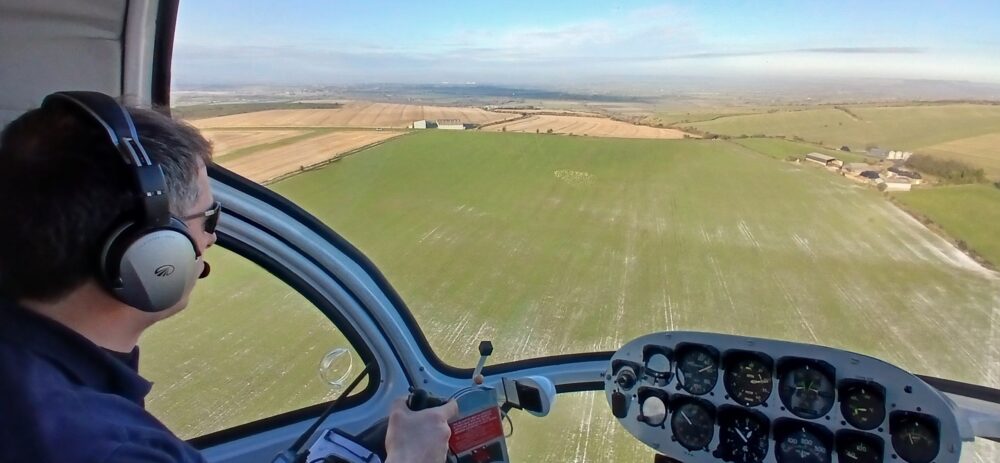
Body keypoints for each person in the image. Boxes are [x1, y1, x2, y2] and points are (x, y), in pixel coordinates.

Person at [0, 92, 457, 463]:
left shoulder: (32, 377)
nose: (212, 239)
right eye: (207, 218)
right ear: (152, 251)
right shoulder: (106, 448)